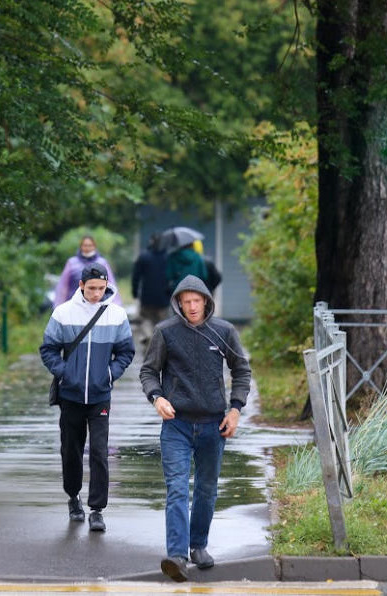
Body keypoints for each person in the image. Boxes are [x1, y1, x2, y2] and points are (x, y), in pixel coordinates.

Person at [139, 275, 251, 582]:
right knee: (176, 487)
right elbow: (149, 372)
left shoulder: (224, 331)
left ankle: (198, 545)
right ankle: (176, 555)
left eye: (196, 301)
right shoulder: (165, 332)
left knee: (205, 489)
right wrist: (157, 397)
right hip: (176, 423)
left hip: (213, 425)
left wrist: (235, 409)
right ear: (178, 302)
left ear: (206, 301)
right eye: (185, 301)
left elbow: (242, 370)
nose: (191, 307)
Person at [40, 263, 134, 532]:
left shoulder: (116, 314)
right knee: (71, 450)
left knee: (100, 451)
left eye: (101, 289)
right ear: (81, 285)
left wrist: (110, 374)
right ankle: (73, 496)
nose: (96, 293)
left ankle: (97, 510)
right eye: (91, 288)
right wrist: (64, 373)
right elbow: (48, 349)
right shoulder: (63, 313)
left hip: (100, 394)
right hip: (70, 394)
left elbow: (126, 352)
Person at [52, 235, 123, 308]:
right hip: (75, 305)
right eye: (85, 245)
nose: (87, 248)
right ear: (81, 246)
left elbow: (111, 284)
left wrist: (116, 305)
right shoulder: (71, 263)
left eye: (90, 245)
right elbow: (63, 286)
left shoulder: (102, 263)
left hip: (97, 306)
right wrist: (58, 306)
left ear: (94, 246)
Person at [131, 234, 170, 347]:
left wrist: (134, 291)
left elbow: (136, 276)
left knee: (145, 320)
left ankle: (148, 336)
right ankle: (159, 344)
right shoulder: (167, 257)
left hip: (146, 297)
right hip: (163, 298)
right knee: (162, 323)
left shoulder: (143, 257)